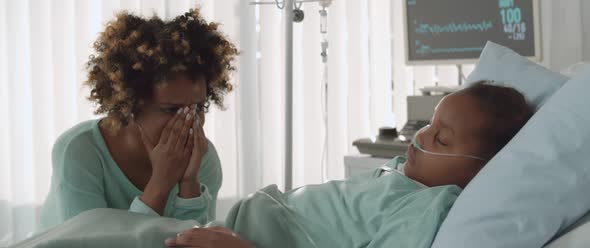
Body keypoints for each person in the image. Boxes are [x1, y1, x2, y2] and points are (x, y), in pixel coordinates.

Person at [164, 81, 535, 248]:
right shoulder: (403, 171)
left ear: (482, 169)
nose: (420, 137)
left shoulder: (426, 205)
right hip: (235, 223)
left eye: (441, 138)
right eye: (428, 124)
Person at [38, 8, 239, 231]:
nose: (191, 122)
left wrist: (188, 185)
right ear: (131, 106)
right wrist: (161, 183)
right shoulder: (79, 152)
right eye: (172, 110)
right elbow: (91, 243)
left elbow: (193, 243)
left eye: (198, 107)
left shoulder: (204, 160)